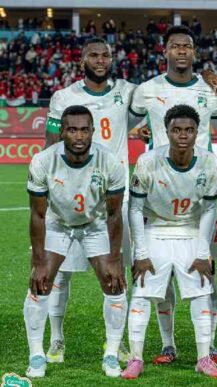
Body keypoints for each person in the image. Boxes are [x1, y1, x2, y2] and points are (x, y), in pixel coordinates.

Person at [129, 24, 217, 365]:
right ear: (165, 51)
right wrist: (139, 132)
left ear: (194, 52)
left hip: (199, 191)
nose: (181, 51)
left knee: (207, 272)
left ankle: (209, 346)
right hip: (160, 192)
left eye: (187, 46)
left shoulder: (209, 89)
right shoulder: (146, 90)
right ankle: (167, 344)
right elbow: (126, 122)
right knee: (160, 276)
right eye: (175, 46)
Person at [43, 37, 137, 365]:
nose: (100, 60)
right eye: (93, 55)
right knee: (59, 273)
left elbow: (162, 101)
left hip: (114, 199)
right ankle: (56, 338)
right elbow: (51, 145)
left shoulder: (127, 91)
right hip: (70, 197)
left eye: (105, 55)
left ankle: (117, 341)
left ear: (112, 59)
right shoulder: (64, 97)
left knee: (116, 271)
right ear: (82, 60)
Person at [24, 105, 127, 378]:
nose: (79, 136)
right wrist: (38, 261)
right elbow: (37, 214)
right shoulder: (43, 161)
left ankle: (111, 354)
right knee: (40, 284)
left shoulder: (110, 161)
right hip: (57, 224)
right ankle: (36, 355)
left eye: (84, 130)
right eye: (72, 130)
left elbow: (114, 214)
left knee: (115, 284)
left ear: (93, 131)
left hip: (95, 225)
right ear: (62, 132)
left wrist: (115, 258)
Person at [121, 105, 217, 379]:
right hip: (156, 228)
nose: (183, 135)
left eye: (189, 130)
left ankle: (203, 358)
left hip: (191, 229)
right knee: (142, 293)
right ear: (166, 132)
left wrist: (203, 252)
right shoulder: (148, 161)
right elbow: (135, 209)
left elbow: (210, 209)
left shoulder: (209, 162)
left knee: (201, 293)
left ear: (197, 133)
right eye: (176, 130)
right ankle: (136, 359)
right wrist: (140, 253)